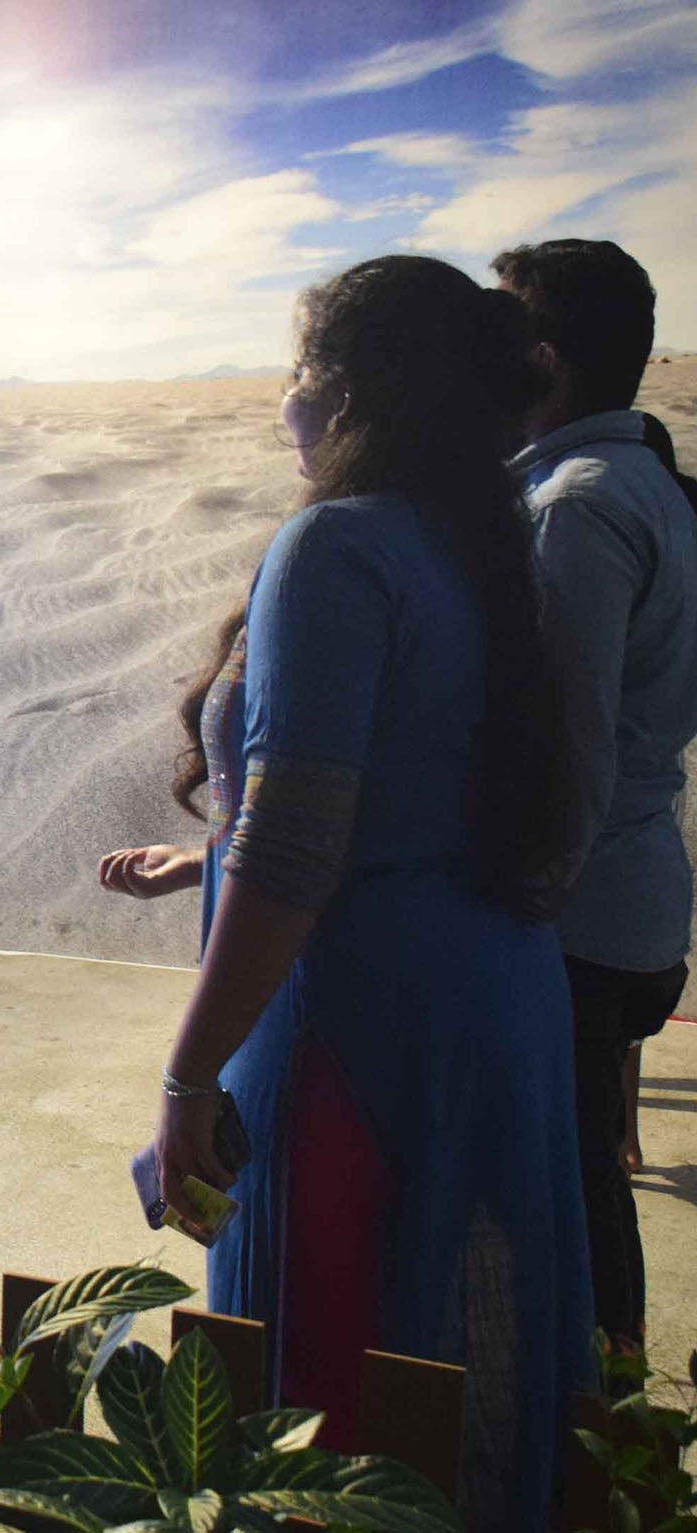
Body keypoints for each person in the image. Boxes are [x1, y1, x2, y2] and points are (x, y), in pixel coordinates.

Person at [108, 256, 589, 1527]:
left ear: (348, 388)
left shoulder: (336, 544)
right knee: (470, 1354)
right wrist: (203, 858)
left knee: (334, 1391)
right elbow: (423, 788)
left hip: (354, 1029)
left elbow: (293, 852)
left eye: (297, 368)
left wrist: (187, 1076)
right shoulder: (493, 538)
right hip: (498, 1001)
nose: (285, 398)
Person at [494, 238, 697, 1360]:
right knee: (579, 1166)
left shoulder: (577, 504)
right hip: (633, 894)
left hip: (578, 916)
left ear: (542, 358)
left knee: (570, 1179)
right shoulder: (648, 486)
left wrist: (526, 899)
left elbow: (573, 740)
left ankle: (607, 1406)